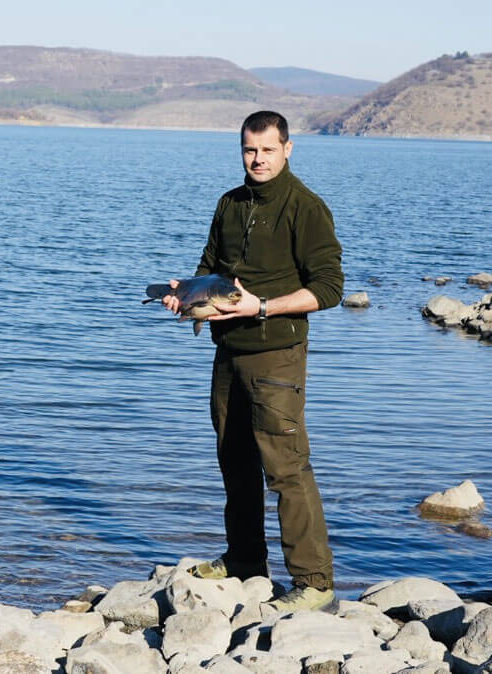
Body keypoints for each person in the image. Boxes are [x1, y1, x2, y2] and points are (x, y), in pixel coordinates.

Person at [162, 110, 343, 612]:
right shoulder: (230, 203)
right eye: (249, 150)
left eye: (267, 149)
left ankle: (314, 582)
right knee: (234, 460)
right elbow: (210, 267)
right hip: (228, 353)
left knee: (286, 468)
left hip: (276, 356)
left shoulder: (306, 208)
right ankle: (245, 560)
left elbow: (330, 288)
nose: (258, 159)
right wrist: (187, 295)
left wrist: (261, 306)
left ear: (288, 149)